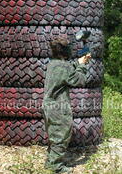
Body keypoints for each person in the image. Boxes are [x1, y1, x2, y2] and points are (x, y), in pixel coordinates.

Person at [43, 36, 91, 173]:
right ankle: (56, 167)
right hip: (59, 107)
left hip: (49, 106)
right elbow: (79, 80)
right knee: (60, 137)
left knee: (54, 136)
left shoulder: (53, 63)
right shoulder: (63, 66)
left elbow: (68, 70)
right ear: (64, 51)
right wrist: (82, 66)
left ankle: (51, 162)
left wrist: (79, 62)